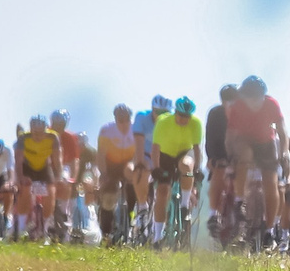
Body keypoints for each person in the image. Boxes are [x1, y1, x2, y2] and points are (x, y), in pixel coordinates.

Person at [223, 77, 290, 235]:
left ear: (263, 97)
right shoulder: (238, 107)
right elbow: (230, 136)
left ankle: (270, 228)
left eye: (256, 99)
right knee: (245, 154)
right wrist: (230, 157)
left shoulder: (271, 104)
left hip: (266, 142)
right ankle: (240, 200)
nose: (253, 103)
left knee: (271, 184)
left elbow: (282, 130)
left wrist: (284, 153)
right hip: (245, 141)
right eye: (249, 99)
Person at [89, 105, 145, 241]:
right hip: (110, 165)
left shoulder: (136, 130)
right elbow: (101, 155)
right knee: (109, 196)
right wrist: (103, 174)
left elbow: (140, 152)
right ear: (115, 119)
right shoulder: (107, 130)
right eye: (120, 121)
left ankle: (130, 217)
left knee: (132, 187)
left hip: (128, 163)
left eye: (126, 120)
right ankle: (106, 232)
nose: (124, 124)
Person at [149, 96, 203, 237]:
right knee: (162, 191)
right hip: (165, 155)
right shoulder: (163, 122)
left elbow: (197, 149)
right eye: (180, 116)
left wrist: (197, 169)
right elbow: (155, 148)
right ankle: (157, 236)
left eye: (187, 117)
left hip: (184, 152)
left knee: (186, 165)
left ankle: (184, 205)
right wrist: (155, 168)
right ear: (175, 113)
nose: (183, 119)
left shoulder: (196, 123)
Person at [14, 115, 61, 239]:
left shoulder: (53, 137)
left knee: (51, 191)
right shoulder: (23, 138)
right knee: (25, 189)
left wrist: (58, 176)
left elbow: (57, 159)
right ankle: (21, 227)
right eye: (35, 133)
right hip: (27, 167)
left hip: (44, 167)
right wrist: (20, 177)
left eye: (41, 133)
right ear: (30, 130)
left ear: (47, 129)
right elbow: (18, 161)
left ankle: (45, 227)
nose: (38, 136)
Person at [203, 84, 236, 237]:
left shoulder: (244, 114)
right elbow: (210, 139)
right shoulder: (215, 113)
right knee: (218, 172)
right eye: (227, 101)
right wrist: (212, 158)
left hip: (239, 152)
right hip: (220, 152)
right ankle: (213, 213)